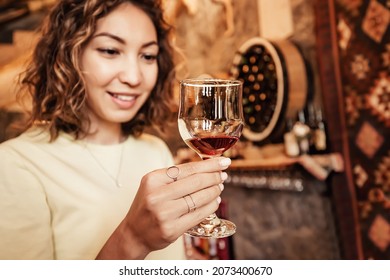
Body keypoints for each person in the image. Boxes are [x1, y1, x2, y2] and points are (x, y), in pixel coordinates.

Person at [0, 0, 231, 260]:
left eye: (147, 56)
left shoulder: (155, 151)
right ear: (68, 55)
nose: (133, 77)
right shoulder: (16, 164)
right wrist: (133, 239)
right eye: (110, 50)